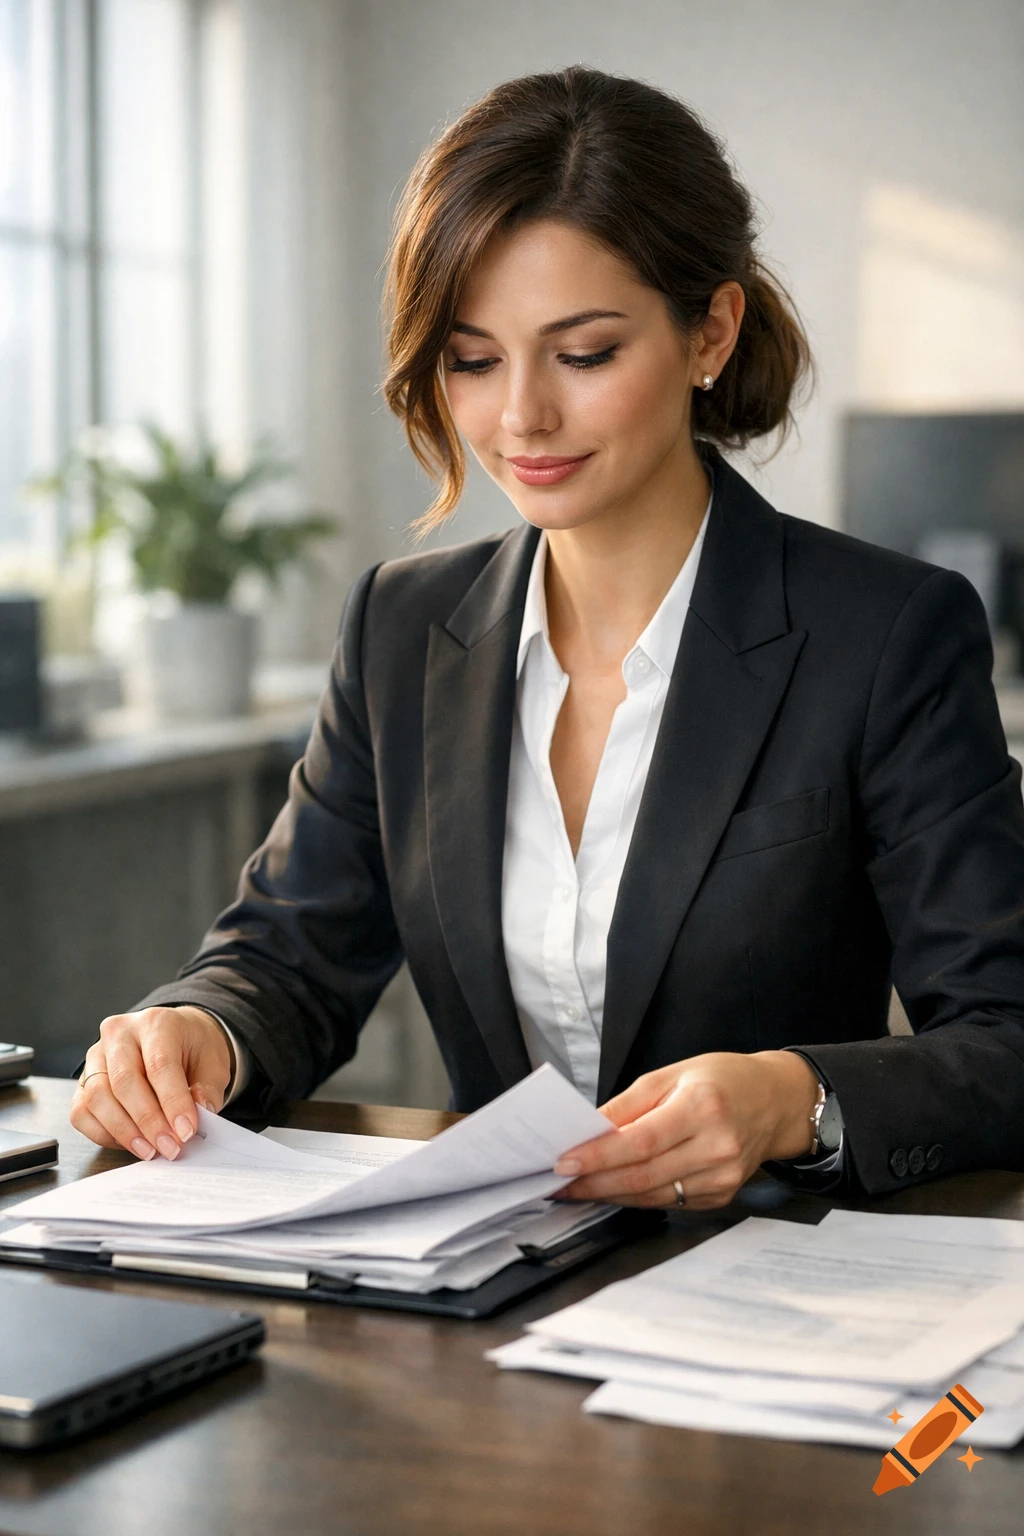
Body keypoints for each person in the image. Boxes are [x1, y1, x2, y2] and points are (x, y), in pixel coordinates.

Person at [71, 65, 1024, 1209]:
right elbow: (286, 957)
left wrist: (793, 1096)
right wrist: (198, 1030)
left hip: (782, 1297)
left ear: (709, 331)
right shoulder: (401, 626)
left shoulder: (884, 635)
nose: (519, 415)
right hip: (490, 1294)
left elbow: (1005, 1038)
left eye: (583, 354)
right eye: (472, 359)